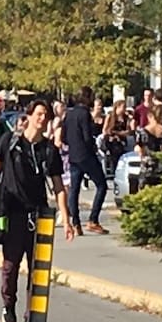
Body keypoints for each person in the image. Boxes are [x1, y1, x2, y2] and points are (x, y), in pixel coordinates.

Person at [0, 100, 74, 322]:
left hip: (39, 215)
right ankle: (8, 304)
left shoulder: (49, 150)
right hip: (13, 211)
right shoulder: (10, 141)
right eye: (39, 114)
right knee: (11, 265)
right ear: (30, 116)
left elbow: (58, 187)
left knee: (37, 269)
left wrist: (67, 217)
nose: (42, 119)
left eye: (46, 115)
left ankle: (30, 316)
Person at [64, 87, 109, 235]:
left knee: (74, 189)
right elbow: (87, 136)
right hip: (85, 155)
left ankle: (76, 223)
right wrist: (93, 149)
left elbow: (64, 136)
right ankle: (93, 219)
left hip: (73, 155)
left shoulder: (69, 114)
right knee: (101, 185)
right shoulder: (85, 114)